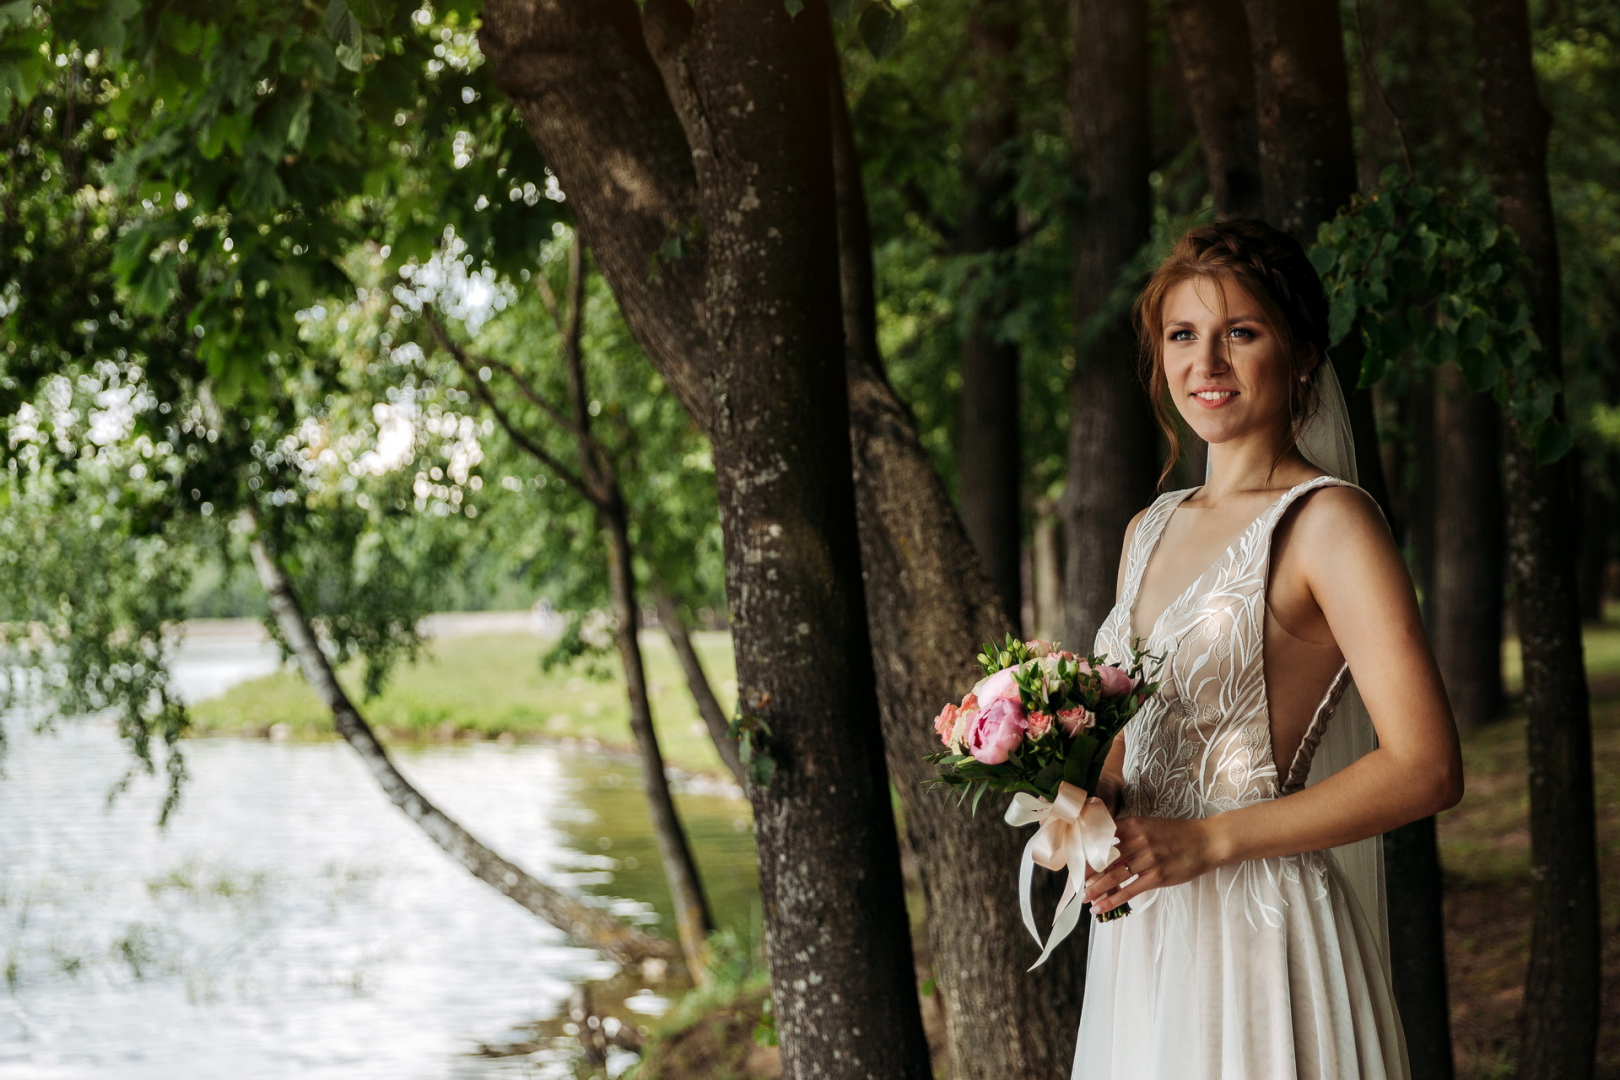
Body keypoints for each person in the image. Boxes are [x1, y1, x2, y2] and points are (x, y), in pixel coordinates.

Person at [1076, 219, 1463, 1080]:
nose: (1205, 364)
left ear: (1301, 356)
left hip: (1259, 932)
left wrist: (1208, 842)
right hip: (1145, 933)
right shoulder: (1149, 527)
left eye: (1239, 333)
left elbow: (1428, 766)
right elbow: (1140, 732)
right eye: (1184, 335)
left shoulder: (1331, 523)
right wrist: (1073, 785)